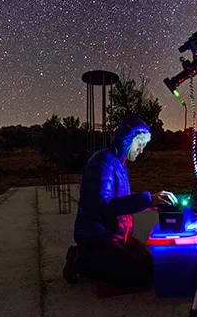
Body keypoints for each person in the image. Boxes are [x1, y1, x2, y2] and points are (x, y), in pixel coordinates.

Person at [62, 114, 177, 292]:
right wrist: (148, 199)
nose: (141, 151)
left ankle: (104, 265)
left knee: (152, 269)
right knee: (140, 278)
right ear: (127, 140)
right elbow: (102, 205)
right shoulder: (102, 163)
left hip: (116, 234)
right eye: (139, 145)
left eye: (143, 146)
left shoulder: (120, 165)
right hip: (97, 235)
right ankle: (80, 259)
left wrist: (153, 203)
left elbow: (122, 202)